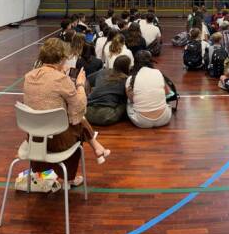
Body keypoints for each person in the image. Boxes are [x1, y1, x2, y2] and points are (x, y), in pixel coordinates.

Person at [23, 39, 111, 187]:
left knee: (73, 119)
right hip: (57, 142)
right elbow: (79, 107)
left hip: (34, 138)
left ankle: (97, 148)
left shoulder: (28, 77)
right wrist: (80, 84)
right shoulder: (61, 79)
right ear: (62, 58)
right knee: (77, 121)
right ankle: (69, 178)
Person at [126, 51, 172, 128]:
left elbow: (131, 100)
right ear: (150, 61)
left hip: (141, 122)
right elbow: (167, 93)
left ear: (135, 62)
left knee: (128, 102)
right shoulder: (158, 72)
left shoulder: (130, 79)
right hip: (164, 118)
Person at [86, 55, 131, 125]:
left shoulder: (102, 72)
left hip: (88, 113)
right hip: (106, 116)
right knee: (126, 102)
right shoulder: (126, 79)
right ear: (126, 67)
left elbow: (87, 79)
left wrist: (87, 94)